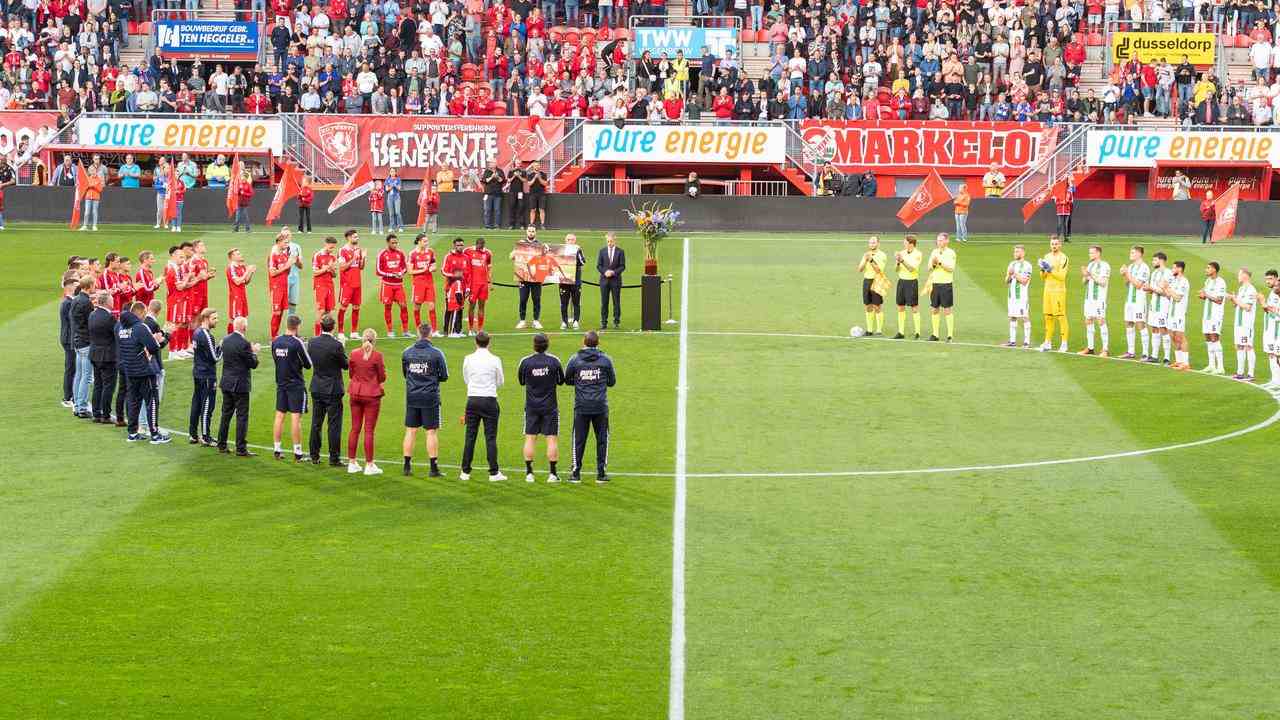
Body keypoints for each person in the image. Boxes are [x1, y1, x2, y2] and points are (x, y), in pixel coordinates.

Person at [565, 330, 616, 484]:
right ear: (598, 343)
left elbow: (567, 380)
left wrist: (581, 381)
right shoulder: (606, 360)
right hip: (600, 405)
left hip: (581, 406)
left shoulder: (575, 359)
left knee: (578, 440)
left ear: (584, 342)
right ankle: (601, 474)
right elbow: (612, 382)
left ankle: (576, 473)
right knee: (602, 439)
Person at [116, 301, 171, 444]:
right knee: (152, 401)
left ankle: (132, 433)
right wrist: (158, 340)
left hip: (129, 370)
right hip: (144, 370)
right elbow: (153, 347)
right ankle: (154, 434)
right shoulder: (140, 327)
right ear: (140, 313)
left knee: (133, 402)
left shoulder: (120, 328)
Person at [402, 322, 449, 477]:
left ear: (418, 333)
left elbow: (405, 374)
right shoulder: (436, 353)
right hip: (430, 396)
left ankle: (407, 466)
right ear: (429, 334)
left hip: (412, 396)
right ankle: (433, 468)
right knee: (431, 432)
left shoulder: (407, 352)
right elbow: (444, 376)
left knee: (411, 430)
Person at [459, 330, 506, 481]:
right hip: (489, 399)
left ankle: (465, 472)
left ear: (475, 342)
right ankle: (494, 472)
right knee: (490, 437)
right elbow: (500, 381)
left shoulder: (468, 359)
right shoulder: (495, 359)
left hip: (472, 399)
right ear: (489, 342)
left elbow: (466, 378)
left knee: (470, 436)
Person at [518, 332, 564, 483]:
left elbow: (522, 381)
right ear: (547, 345)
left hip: (531, 407)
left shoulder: (525, 362)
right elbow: (561, 380)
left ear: (534, 345)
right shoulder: (554, 361)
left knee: (530, 438)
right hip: (550, 407)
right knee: (551, 440)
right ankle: (552, 474)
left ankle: (529, 473)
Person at [307, 314, 349, 466]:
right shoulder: (336, 345)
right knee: (334, 424)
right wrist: (343, 347)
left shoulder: (312, 342)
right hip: (333, 389)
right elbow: (345, 365)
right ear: (334, 327)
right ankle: (334, 458)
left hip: (317, 386)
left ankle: (314, 455)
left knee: (316, 423)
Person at [216, 316, 260, 456]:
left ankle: (221, 445)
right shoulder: (244, 343)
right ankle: (241, 448)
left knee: (226, 414)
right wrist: (254, 352)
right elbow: (253, 364)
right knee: (242, 416)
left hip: (226, 383)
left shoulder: (225, 340)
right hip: (240, 385)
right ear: (244, 327)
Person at [271, 314, 313, 462]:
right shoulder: (297, 343)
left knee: (279, 416)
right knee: (296, 418)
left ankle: (277, 449)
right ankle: (298, 453)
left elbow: (276, 360)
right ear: (297, 326)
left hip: (281, 383)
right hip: (295, 384)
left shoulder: (276, 341)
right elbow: (308, 364)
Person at [347, 329, 387, 475]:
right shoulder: (377, 356)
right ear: (374, 340)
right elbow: (382, 377)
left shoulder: (353, 353)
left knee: (355, 428)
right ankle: (369, 465)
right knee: (369, 430)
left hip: (355, 393)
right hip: (371, 395)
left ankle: (351, 463)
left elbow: (351, 373)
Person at [190, 307, 222, 446]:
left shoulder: (196, 332)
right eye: (214, 318)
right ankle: (206, 437)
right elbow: (215, 358)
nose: (217, 321)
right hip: (207, 375)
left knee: (196, 403)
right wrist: (222, 348)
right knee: (207, 405)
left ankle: (193, 434)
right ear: (206, 319)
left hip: (197, 372)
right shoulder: (207, 335)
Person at [88, 290, 119, 424]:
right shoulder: (109, 318)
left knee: (98, 385)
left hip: (95, 354)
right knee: (108, 386)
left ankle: (96, 413)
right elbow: (116, 335)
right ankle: (105, 415)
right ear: (107, 302)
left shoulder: (92, 315)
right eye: (111, 300)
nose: (113, 302)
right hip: (108, 356)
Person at [1038, 235, 1069, 353]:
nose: (1054, 246)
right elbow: (1042, 277)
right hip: (1048, 290)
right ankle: (1048, 342)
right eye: (1052, 244)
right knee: (1048, 316)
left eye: (1056, 244)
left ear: (1060, 245)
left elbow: (1062, 276)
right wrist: (1043, 269)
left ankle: (1064, 343)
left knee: (1060, 316)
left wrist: (1050, 269)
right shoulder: (1047, 256)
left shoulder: (1063, 258)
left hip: (1058, 291)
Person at [1120, 245, 1152, 360]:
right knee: (1129, 323)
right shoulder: (1131, 266)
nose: (1131, 254)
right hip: (1129, 300)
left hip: (1139, 301)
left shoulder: (1144, 268)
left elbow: (1138, 285)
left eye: (1133, 252)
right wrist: (1124, 274)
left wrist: (1127, 274)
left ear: (1139, 254)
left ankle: (1145, 353)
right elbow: (1127, 284)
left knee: (1140, 324)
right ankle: (1130, 351)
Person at [376, 232, 410, 338]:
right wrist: (391, 274)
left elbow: (405, 267)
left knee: (403, 306)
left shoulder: (400, 253)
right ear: (388, 243)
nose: (395, 245)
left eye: (396, 242)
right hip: (387, 285)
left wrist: (401, 273)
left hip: (399, 285)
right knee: (388, 307)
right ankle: (390, 331)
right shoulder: (382, 254)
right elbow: (378, 270)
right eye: (393, 243)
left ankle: (405, 330)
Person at [1078, 245, 1110, 356]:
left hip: (1099, 299)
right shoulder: (1090, 265)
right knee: (1088, 320)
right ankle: (1090, 348)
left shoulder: (1105, 266)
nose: (1090, 255)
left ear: (1098, 253)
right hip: (1088, 299)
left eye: (1092, 253)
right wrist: (1085, 275)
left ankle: (1105, 349)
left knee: (1101, 321)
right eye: (1089, 253)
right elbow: (1084, 282)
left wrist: (1090, 274)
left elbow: (1103, 282)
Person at [69, 275, 93, 418]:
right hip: (86, 342)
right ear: (89, 286)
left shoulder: (75, 300)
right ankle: (82, 407)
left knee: (78, 375)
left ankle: (77, 405)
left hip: (77, 341)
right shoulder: (86, 303)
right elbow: (90, 323)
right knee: (86, 376)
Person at [1229, 267, 1259, 381]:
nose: (1238, 276)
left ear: (1245, 275)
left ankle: (1251, 374)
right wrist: (1233, 299)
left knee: (1248, 346)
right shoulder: (1241, 289)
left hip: (1247, 324)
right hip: (1239, 323)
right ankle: (1240, 372)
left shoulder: (1251, 290)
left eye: (1239, 274)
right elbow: (1238, 305)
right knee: (1239, 346)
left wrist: (1235, 299)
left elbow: (1247, 307)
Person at [926, 233, 957, 342]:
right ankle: (935, 334)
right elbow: (929, 268)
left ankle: (949, 335)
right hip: (935, 283)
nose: (939, 242)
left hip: (946, 284)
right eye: (938, 240)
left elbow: (951, 268)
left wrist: (939, 262)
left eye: (941, 240)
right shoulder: (934, 252)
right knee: (934, 309)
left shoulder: (951, 253)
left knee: (947, 309)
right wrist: (934, 264)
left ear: (947, 241)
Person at [1144, 252, 1174, 365]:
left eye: (1154, 260)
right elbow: (1154, 290)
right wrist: (1148, 289)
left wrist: (1151, 288)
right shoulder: (1155, 273)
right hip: (1154, 304)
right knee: (1154, 328)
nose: (1153, 262)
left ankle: (1167, 357)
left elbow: (1165, 292)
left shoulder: (1168, 273)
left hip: (1164, 305)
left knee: (1163, 329)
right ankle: (1154, 355)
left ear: (1161, 260)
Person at [1199, 261, 1228, 374]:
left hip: (1216, 315)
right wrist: (1203, 296)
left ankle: (1220, 367)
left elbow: (1219, 300)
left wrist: (1206, 295)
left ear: (1214, 270)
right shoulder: (1208, 281)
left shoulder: (1221, 282)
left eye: (1208, 268)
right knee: (1207, 338)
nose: (1206, 270)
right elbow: (1207, 296)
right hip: (1207, 314)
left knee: (1214, 338)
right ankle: (1211, 365)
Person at [337, 229, 366, 340]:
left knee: (356, 307)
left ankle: (354, 332)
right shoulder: (342, 250)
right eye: (355, 237)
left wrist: (363, 258)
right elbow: (342, 267)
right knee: (343, 307)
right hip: (347, 284)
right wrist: (353, 258)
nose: (357, 238)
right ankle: (340, 332)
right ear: (348, 238)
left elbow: (361, 267)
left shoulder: (358, 250)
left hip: (357, 283)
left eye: (357, 237)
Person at [409, 232, 439, 336]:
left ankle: (435, 330)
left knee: (431, 306)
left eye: (427, 241)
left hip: (429, 283)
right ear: (419, 242)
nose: (427, 243)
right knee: (417, 307)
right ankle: (419, 330)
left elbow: (434, 266)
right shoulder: (413, 254)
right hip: (418, 284)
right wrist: (423, 270)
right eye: (424, 241)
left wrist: (431, 268)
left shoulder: (430, 252)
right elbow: (410, 271)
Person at [1165, 260, 1192, 371]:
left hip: (1179, 313)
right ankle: (1179, 361)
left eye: (1174, 268)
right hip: (1171, 313)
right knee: (1172, 336)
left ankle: (1186, 363)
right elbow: (1169, 297)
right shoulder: (1174, 281)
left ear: (1180, 269)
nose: (1172, 270)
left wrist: (1168, 288)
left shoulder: (1184, 282)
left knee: (1180, 337)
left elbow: (1178, 298)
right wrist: (1164, 288)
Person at [1004, 244, 1033, 347]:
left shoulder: (1027, 265)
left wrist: (1014, 274)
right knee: (1012, 317)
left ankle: (1027, 342)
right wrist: (1009, 275)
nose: (1015, 253)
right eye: (1014, 251)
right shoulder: (1011, 264)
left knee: (1025, 317)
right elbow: (1006, 281)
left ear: (1023, 253)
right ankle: (1012, 341)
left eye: (1017, 252)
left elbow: (1024, 281)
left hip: (1022, 297)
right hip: (1011, 296)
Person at [857, 236, 887, 335]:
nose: (872, 244)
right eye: (870, 243)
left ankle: (879, 330)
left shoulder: (882, 255)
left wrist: (871, 260)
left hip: (877, 281)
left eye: (874, 242)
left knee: (877, 306)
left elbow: (879, 270)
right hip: (867, 281)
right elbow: (860, 269)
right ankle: (869, 330)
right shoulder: (866, 254)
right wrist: (865, 260)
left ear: (878, 243)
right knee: (868, 306)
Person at [267, 231, 294, 338]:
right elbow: (272, 273)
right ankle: (273, 336)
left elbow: (287, 272)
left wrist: (289, 265)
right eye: (285, 243)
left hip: (284, 286)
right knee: (276, 312)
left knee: (282, 311)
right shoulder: (273, 256)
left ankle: (276, 334)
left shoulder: (284, 255)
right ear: (278, 242)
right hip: (276, 287)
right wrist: (287, 266)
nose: (287, 245)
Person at [597, 231, 626, 330]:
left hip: (616, 281)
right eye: (608, 241)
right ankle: (604, 322)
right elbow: (599, 266)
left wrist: (613, 272)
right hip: (604, 281)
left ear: (615, 240)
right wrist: (605, 272)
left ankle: (616, 321)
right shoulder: (602, 251)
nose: (609, 243)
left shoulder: (620, 251)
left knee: (616, 302)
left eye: (611, 241)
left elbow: (622, 266)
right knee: (604, 302)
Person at [312, 236, 339, 337]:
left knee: (329, 312)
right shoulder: (317, 255)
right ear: (326, 244)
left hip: (330, 285)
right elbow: (315, 272)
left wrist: (331, 269)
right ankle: (317, 335)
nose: (332, 250)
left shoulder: (332, 257)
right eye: (330, 247)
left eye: (333, 248)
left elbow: (334, 275)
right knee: (321, 311)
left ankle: (326, 334)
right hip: (320, 285)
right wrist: (326, 268)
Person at [442, 237, 469, 337]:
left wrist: (467, 288)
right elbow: (443, 271)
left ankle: (458, 330)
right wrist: (453, 276)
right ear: (454, 245)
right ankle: (447, 331)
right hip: (451, 287)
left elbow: (468, 274)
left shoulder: (466, 258)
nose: (460, 247)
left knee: (460, 308)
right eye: (458, 245)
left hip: (462, 287)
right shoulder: (448, 257)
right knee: (450, 308)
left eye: (462, 245)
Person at [465, 237, 493, 334]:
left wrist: (490, 282)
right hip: (473, 284)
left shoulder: (487, 253)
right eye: (479, 246)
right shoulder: (468, 251)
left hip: (483, 284)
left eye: (482, 246)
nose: (481, 248)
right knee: (472, 306)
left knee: (482, 306)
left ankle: (480, 329)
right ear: (476, 244)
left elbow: (489, 267)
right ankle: (470, 328)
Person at [225, 248, 256, 335]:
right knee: (235, 319)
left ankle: (240, 337)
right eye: (238, 254)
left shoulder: (241, 267)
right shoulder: (231, 268)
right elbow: (237, 281)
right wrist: (247, 271)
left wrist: (251, 272)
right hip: (235, 297)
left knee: (242, 318)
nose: (240, 255)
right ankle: (230, 338)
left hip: (242, 295)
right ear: (232, 257)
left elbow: (246, 281)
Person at [559, 233, 586, 330]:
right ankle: (564, 321)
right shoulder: (561, 250)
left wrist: (577, 252)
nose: (570, 241)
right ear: (565, 241)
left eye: (572, 239)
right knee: (564, 302)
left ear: (575, 241)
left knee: (576, 302)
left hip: (576, 281)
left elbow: (583, 262)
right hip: (564, 281)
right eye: (568, 239)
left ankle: (576, 321)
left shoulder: (578, 250)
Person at [59, 275, 78, 409]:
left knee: (73, 367)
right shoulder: (67, 303)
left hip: (69, 338)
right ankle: (67, 397)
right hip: (68, 339)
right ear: (69, 287)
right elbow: (72, 323)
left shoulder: (69, 302)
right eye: (76, 286)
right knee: (70, 368)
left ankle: (71, 395)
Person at [1261, 270, 1280, 388]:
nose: (1268, 281)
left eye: (1271, 279)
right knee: (1272, 354)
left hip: (1277, 330)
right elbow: (1270, 311)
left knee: (1277, 356)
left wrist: (1264, 304)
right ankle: (1275, 380)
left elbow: (1276, 312)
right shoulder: (1273, 293)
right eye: (1266, 279)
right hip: (1271, 329)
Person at [78, 155, 105, 232]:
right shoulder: (88, 179)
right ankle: (85, 225)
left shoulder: (99, 179)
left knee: (94, 212)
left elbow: (100, 189)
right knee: (86, 212)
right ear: (90, 171)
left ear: (96, 171)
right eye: (92, 171)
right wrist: (86, 186)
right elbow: (84, 187)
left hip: (96, 197)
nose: (93, 172)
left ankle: (94, 226)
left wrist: (93, 186)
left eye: (94, 171)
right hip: (88, 197)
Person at [481, 161, 505, 229]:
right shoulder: (487, 171)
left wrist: (497, 177)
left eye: (492, 163)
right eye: (490, 163)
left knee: (497, 210)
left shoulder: (500, 171)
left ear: (495, 163)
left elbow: (502, 181)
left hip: (497, 194)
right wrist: (492, 177)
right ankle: (487, 225)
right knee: (487, 210)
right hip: (488, 194)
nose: (491, 164)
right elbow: (485, 181)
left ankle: (497, 225)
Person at [524, 161, 549, 228]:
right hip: (532, 194)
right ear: (533, 166)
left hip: (541, 194)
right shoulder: (530, 174)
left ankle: (542, 224)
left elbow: (545, 184)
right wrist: (535, 178)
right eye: (535, 165)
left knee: (542, 209)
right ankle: (531, 224)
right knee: (533, 209)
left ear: (539, 166)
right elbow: (529, 184)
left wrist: (539, 178)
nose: (537, 166)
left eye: (538, 165)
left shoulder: (543, 174)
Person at [505, 162, 526, 229]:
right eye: (517, 163)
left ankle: (521, 225)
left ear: (520, 164)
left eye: (519, 163)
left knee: (521, 207)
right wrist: (514, 176)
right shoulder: (511, 171)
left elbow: (524, 180)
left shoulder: (523, 171)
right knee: (512, 207)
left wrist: (519, 176)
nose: (518, 164)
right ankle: (511, 224)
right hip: (512, 192)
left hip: (520, 192)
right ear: (515, 163)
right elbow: (508, 181)